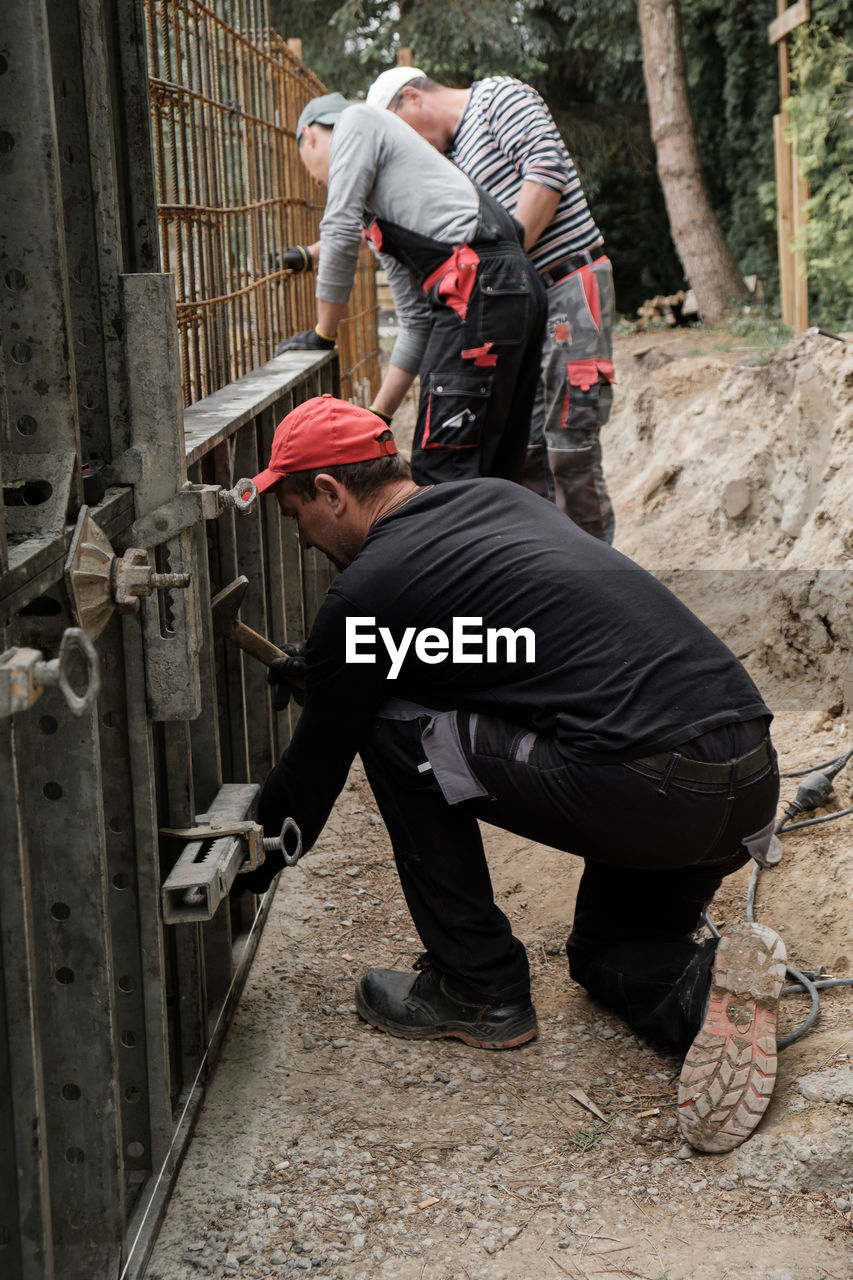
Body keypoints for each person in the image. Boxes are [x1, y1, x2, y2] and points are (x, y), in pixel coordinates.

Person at [243, 393, 786, 1155]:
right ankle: (702, 1003)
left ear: (331, 492)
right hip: (746, 778)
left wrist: (240, 873)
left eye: (295, 514)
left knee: (391, 729)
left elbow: (314, 772)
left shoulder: (366, 589)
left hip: (652, 789)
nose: (300, 540)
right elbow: (508, 649)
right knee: (604, 957)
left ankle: (478, 987)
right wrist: (340, 668)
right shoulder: (496, 499)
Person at [367, 67, 616, 543]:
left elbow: (546, 172)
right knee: (526, 449)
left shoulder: (498, 97)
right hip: (520, 308)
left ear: (413, 98)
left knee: (570, 444)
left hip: (566, 284)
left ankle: (601, 574)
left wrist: (504, 267)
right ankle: (549, 576)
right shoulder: (451, 160)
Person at [276, 93, 546, 486]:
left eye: (311, 173)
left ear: (310, 136)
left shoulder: (357, 120)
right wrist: (378, 417)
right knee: (496, 471)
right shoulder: (388, 212)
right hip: (514, 289)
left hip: (480, 289)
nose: (319, 184)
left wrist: (323, 334)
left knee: (441, 472)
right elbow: (417, 321)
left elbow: (336, 229)